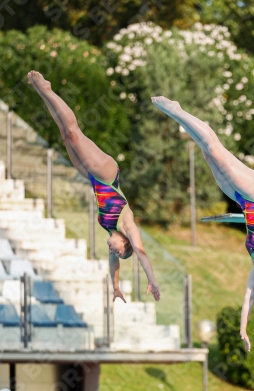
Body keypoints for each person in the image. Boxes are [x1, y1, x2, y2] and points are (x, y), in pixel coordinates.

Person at [151, 96, 254, 350]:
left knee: (208, 154)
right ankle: (176, 110)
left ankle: (184, 118)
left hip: (241, 199)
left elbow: (248, 297)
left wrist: (243, 328)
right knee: (215, 148)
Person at [28, 70, 160, 303]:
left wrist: (115, 287)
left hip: (93, 178)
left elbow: (114, 264)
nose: (112, 251)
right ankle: (47, 89)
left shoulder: (110, 231)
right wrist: (152, 279)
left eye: (115, 253)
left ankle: (41, 93)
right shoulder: (127, 226)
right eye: (117, 250)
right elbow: (140, 253)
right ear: (125, 242)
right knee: (74, 133)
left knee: (65, 136)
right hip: (107, 174)